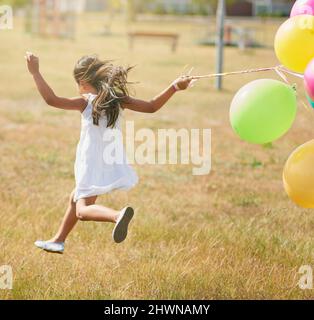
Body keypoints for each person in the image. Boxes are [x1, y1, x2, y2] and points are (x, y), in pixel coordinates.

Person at [25, 52, 194, 254]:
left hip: (91, 160)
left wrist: (35, 72)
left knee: (82, 210)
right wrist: (175, 86)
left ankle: (117, 215)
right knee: (75, 196)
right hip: (110, 157)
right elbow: (151, 107)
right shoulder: (117, 99)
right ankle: (58, 240)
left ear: (83, 81)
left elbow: (51, 99)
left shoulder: (85, 101)